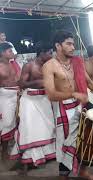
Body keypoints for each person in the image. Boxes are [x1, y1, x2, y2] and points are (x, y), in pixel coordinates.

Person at [43, 31, 93, 180]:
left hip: (81, 103)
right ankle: (63, 175)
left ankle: (83, 171)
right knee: (66, 142)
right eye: (69, 44)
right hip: (63, 108)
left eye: (73, 44)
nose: (73, 47)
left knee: (86, 138)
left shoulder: (77, 62)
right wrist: (72, 94)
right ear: (58, 46)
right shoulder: (49, 66)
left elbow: (89, 82)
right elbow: (51, 94)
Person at [10, 43, 56, 171]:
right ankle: (29, 158)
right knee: (29, 129)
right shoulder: (29, 65)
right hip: (30, 100)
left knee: (47, 127)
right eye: (49, 53)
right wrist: (38, 82)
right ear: (41, 52)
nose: (51, 55)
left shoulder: (50, 66)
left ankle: (46, 155)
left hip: (45, 100)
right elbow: (21, 83)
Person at [0, 42, 19, 161]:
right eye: (10, 51)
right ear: (2, 53)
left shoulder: (14, 64)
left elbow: (18, 79)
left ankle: (8, 150)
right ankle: (4, 152)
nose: (13, 53)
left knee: (13, 123)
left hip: (15, 95)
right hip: (4, 97)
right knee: (6, 124)